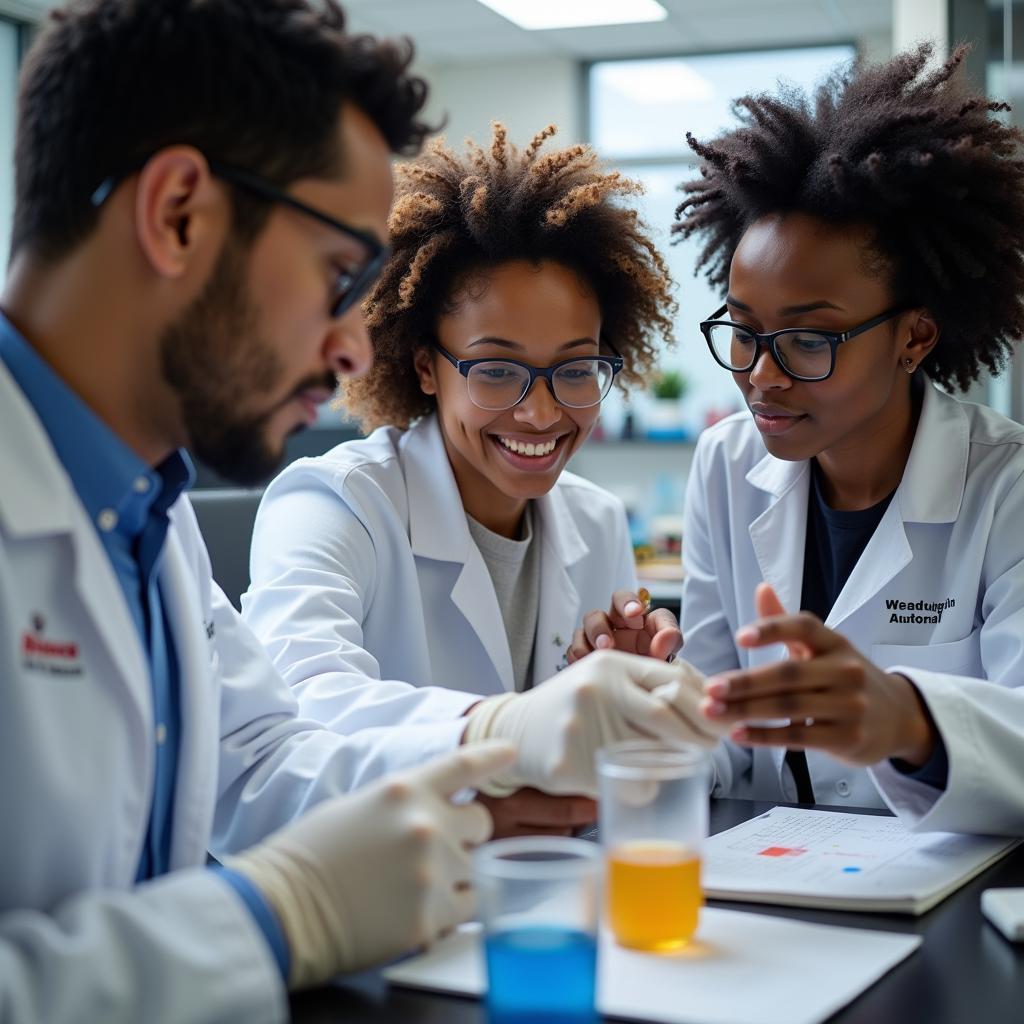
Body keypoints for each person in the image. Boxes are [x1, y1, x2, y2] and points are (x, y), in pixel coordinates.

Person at [0, 2, 718, 1021]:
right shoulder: (300, 497)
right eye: (341, 274)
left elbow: (260, 758)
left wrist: (501, 771)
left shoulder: (145, 516)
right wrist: (272, 916)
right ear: (177, 215)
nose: (349, 350)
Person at [571, 44, 1024, 836]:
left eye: (809, 341)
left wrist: (910, 721)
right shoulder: (726, 461)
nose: (762, 377)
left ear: (914, 338)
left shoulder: (1007, 487)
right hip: (780, 889)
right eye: (743, 333)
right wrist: (657, 701)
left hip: (952, 895)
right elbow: (725, 740)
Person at [242, 124, 693, 837]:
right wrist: (511, 727)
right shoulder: (333, 504)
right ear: (426, 366)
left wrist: (630, 701)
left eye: (575, 369)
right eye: (496, 369)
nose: (541, 411)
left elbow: (603, 791)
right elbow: (302, 702)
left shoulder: (596, 520)